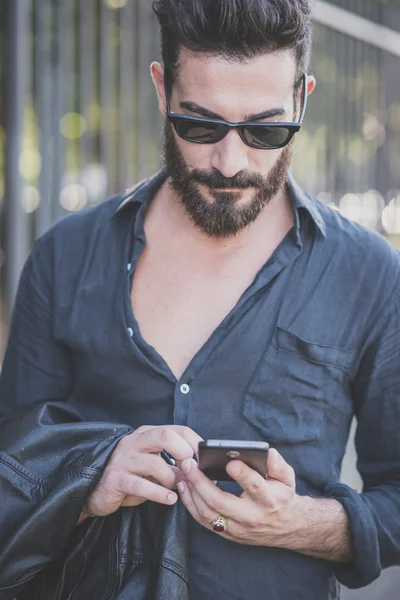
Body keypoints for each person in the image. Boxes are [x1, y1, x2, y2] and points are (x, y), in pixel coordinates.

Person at [0, 0, 399, 598]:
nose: (230, 162)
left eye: (265, 129)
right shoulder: (63, 258)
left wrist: (304, 526)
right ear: (163, 90)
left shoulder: (371, 274)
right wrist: (88, 479)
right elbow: (10, 464)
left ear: (303, 98)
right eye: (201, 125)